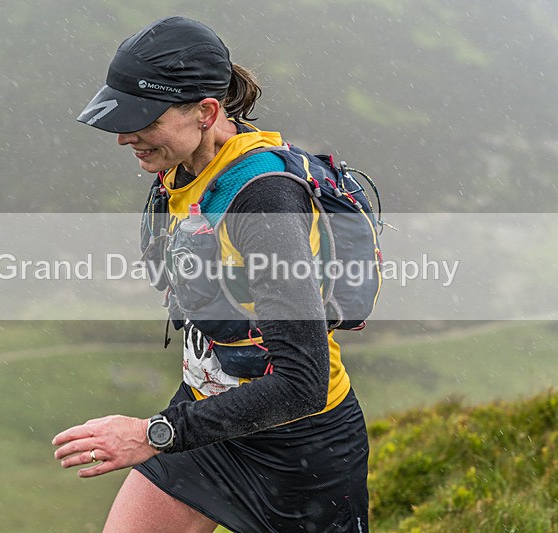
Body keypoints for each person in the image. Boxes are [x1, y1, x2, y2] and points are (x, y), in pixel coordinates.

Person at [53, 16, 370, 532]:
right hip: (208, 423)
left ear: (206, 112)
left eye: (144, 119)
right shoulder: (182, 167)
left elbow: (303, 384)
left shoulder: (263, 202)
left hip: (301, 453)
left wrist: (150, 434)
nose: (124, 138)